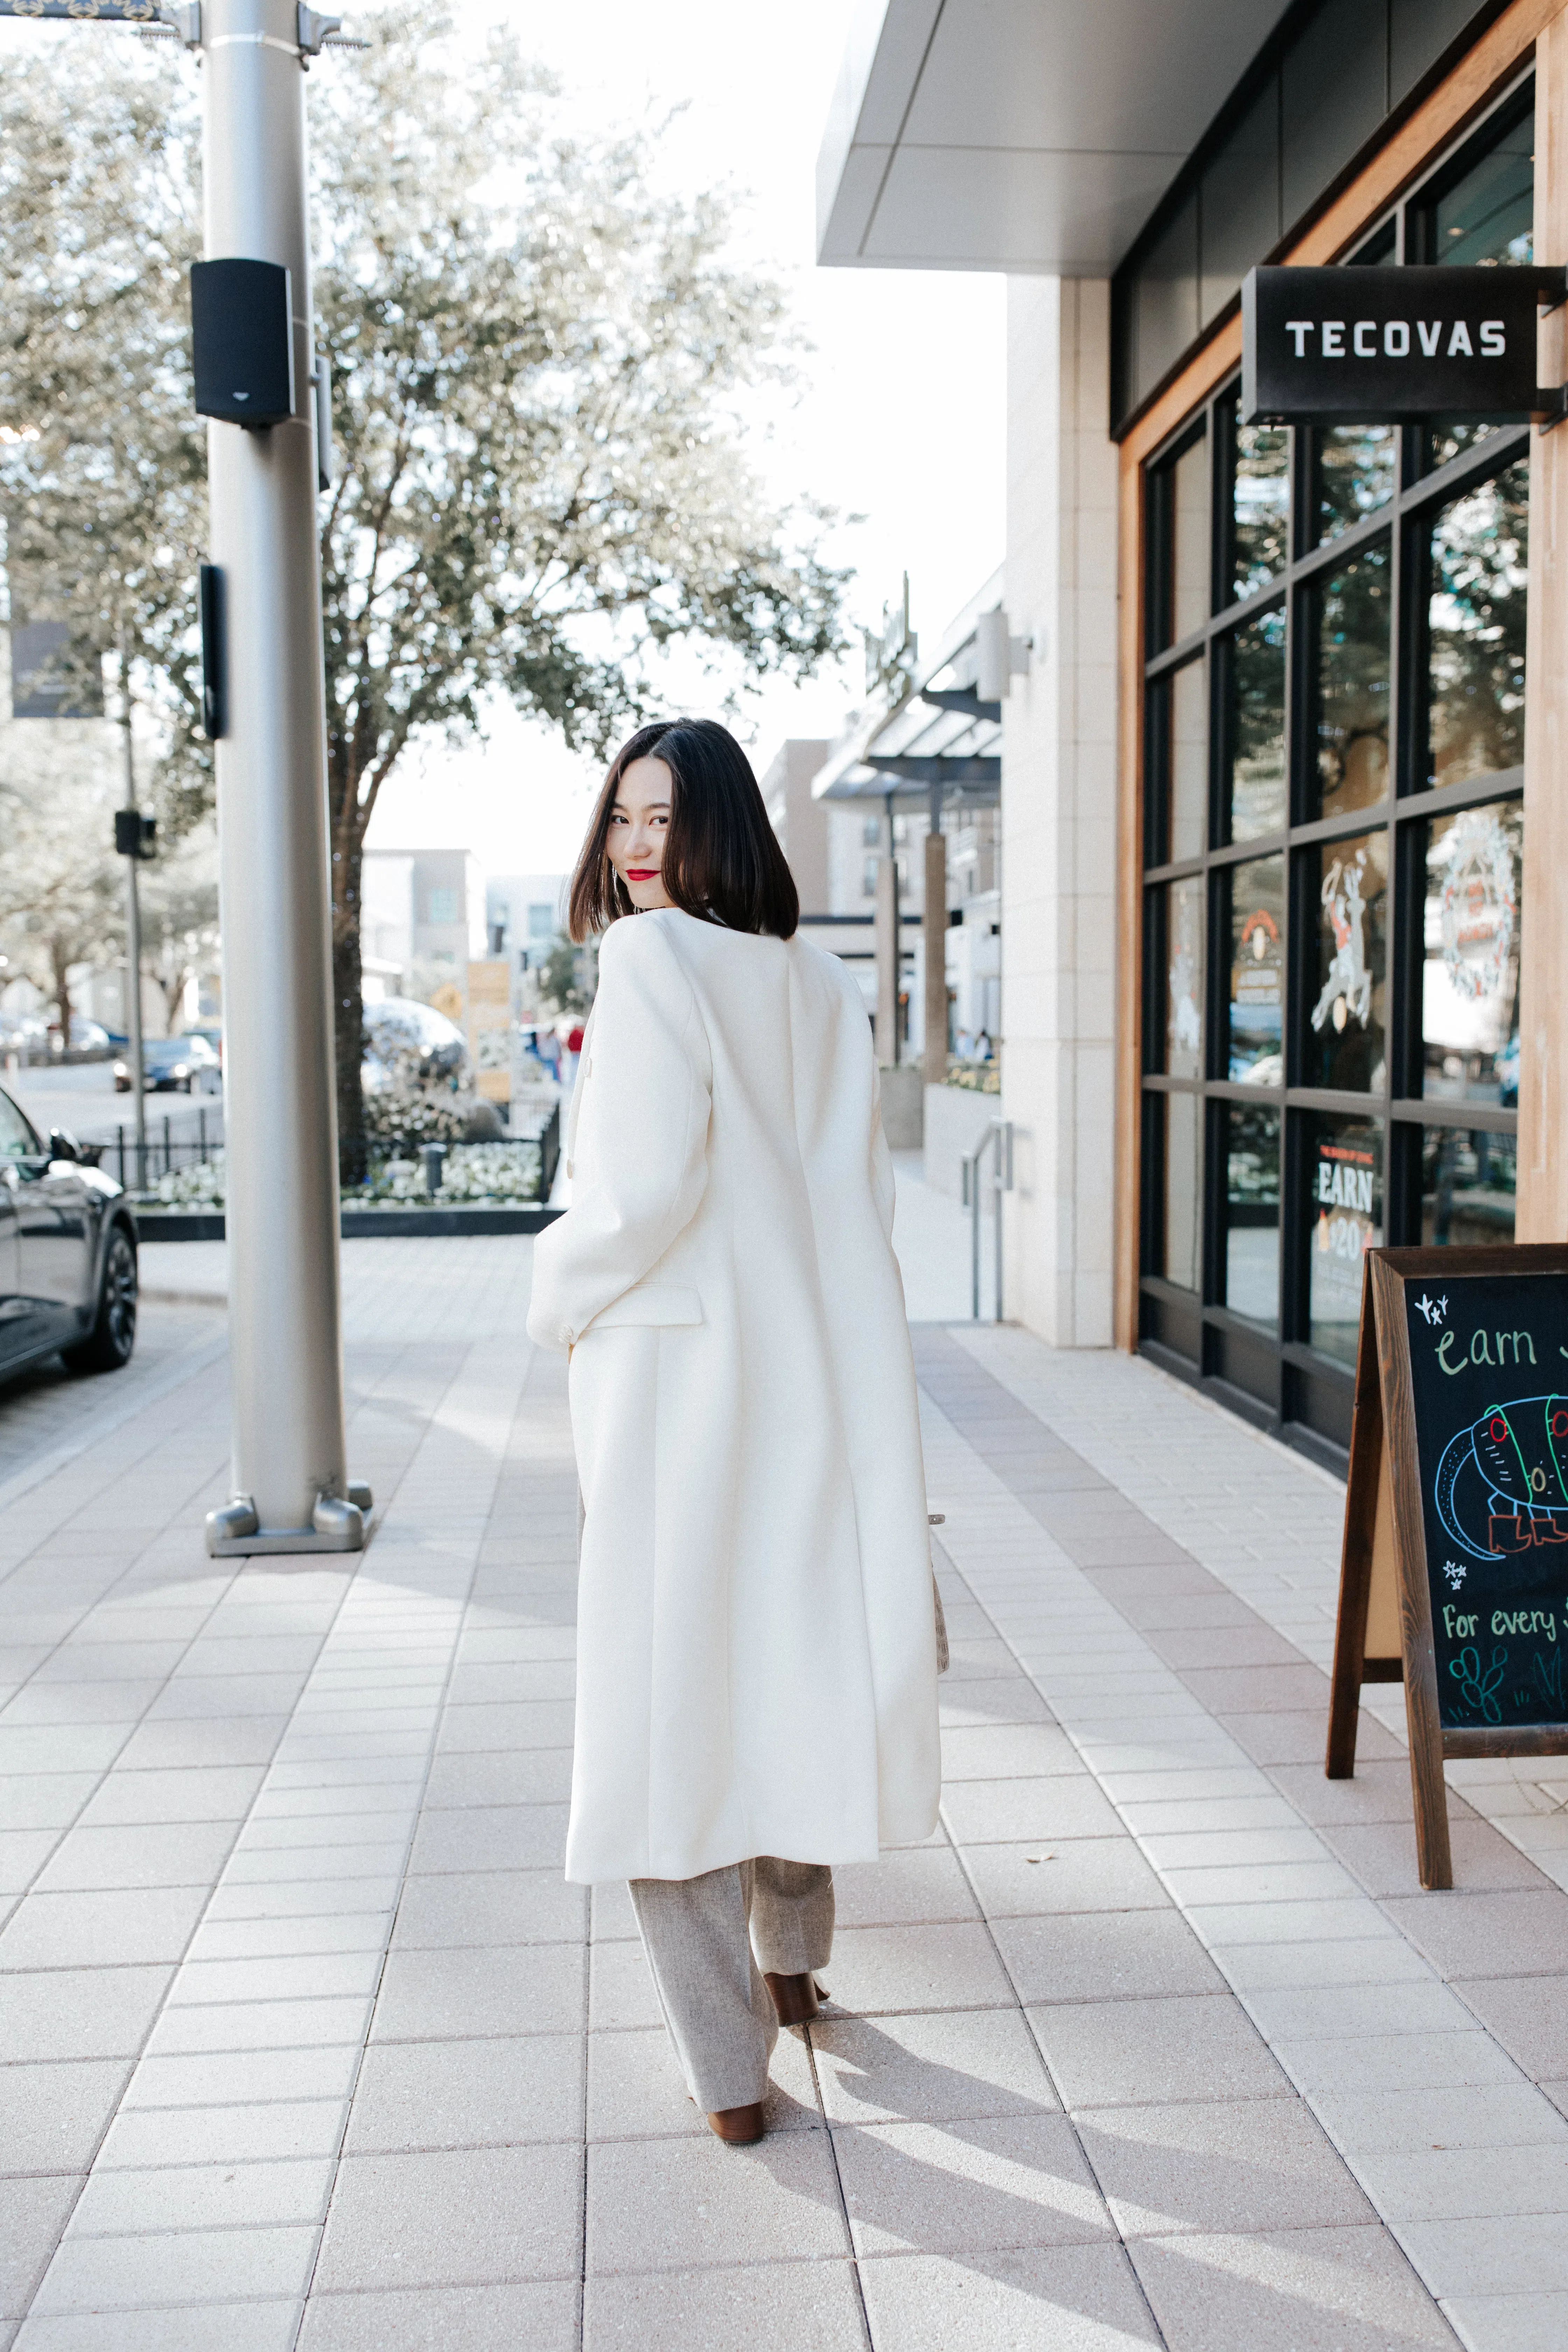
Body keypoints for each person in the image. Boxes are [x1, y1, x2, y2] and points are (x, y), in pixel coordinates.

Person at [526, 717, 940, 2148]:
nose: (636, 846)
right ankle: (796, 1964)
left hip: (677, 1397)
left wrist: (553, 1297)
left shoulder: (648, 969)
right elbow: (858, 1214)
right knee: (789, 1662)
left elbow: (634, 1200)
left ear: (720, 831)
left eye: (663, 818)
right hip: (808, 1382)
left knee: (666, 1714)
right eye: (621, 819)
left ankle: (726, 2072)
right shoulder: (821, 986)